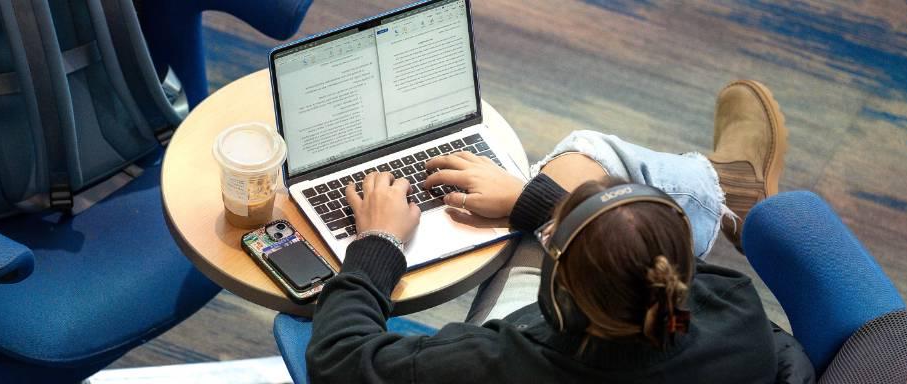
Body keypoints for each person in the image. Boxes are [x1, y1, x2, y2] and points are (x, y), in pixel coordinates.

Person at [307, 80, 814, 383]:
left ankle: (719, 185)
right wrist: (529, 201)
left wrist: (378, 243)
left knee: (582, 152)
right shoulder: (733, 311)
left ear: (557, 291)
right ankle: (729, 187)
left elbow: (339, 361)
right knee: (570, 168)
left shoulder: (505, 364)